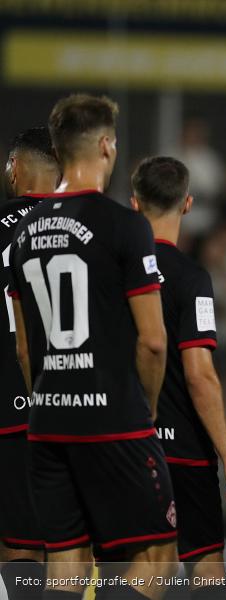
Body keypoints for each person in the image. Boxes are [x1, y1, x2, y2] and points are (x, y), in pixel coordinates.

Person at [8, 94, 178, 600]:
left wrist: (46, 400)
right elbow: (152, 341)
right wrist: (144, 411)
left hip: (47, 421)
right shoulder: (125, 225)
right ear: (106, 145)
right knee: (156, 559)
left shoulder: (24, 234)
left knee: (65, 564)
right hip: (114, 418)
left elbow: (24, 348)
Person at [130, 156, 226, 600]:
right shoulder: (190, 277)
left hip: (122, 445)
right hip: (182, 451)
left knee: (131, 568)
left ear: (134, 203)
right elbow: (200, 374)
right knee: (204, 568)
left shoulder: (108, 272)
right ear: (187, 203)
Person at [0, 127, 59, 600]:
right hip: (67, 405)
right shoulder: (86, 231)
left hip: (6, 401)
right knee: (48, 546)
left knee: (14, 546)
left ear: (14, 169)